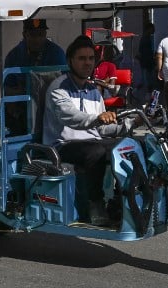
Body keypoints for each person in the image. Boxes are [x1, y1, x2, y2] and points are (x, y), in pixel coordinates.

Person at [43, 35, 129, 226]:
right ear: (70, 61)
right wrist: (97, 118)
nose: (87, 63)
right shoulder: (59, 88)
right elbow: (71, 117)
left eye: (91, 58)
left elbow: (103, 129)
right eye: (81, 58)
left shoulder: (93, 91)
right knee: (96, 152)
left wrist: (130, 124)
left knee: (128, 146)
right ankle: (94, 205)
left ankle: (122, 199)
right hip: (63, 145)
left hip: (91, 141)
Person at [137, 16, 156, 100]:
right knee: (148, 81)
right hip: (147, 62)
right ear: (149, 29)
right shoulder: (147, 39)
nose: (153, 31)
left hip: (147, 62)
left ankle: (148, 96)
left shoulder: (145, 38)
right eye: (152, 29)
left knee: (147, 80)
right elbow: (144, 51)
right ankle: (148, 97)